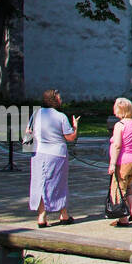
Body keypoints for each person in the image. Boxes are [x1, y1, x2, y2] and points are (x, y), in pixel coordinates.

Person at [26, 89, 79, 227]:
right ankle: (63, 214)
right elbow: (70, 137)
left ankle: (42, 216)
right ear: (54, 100)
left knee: (39, 183)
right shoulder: (61, 116)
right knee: (58, 183)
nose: (61, 100)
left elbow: (28, 132)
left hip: (38, 153)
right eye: (59, 98)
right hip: (57, 154)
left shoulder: (36, 114)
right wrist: (75, 127)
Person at [108, 97, 132, 227]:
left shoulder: (120, 125)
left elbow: (117, 145)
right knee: (128, 186)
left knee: (118, 188)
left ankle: (123, 217)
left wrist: (112, 163)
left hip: (123, 160)